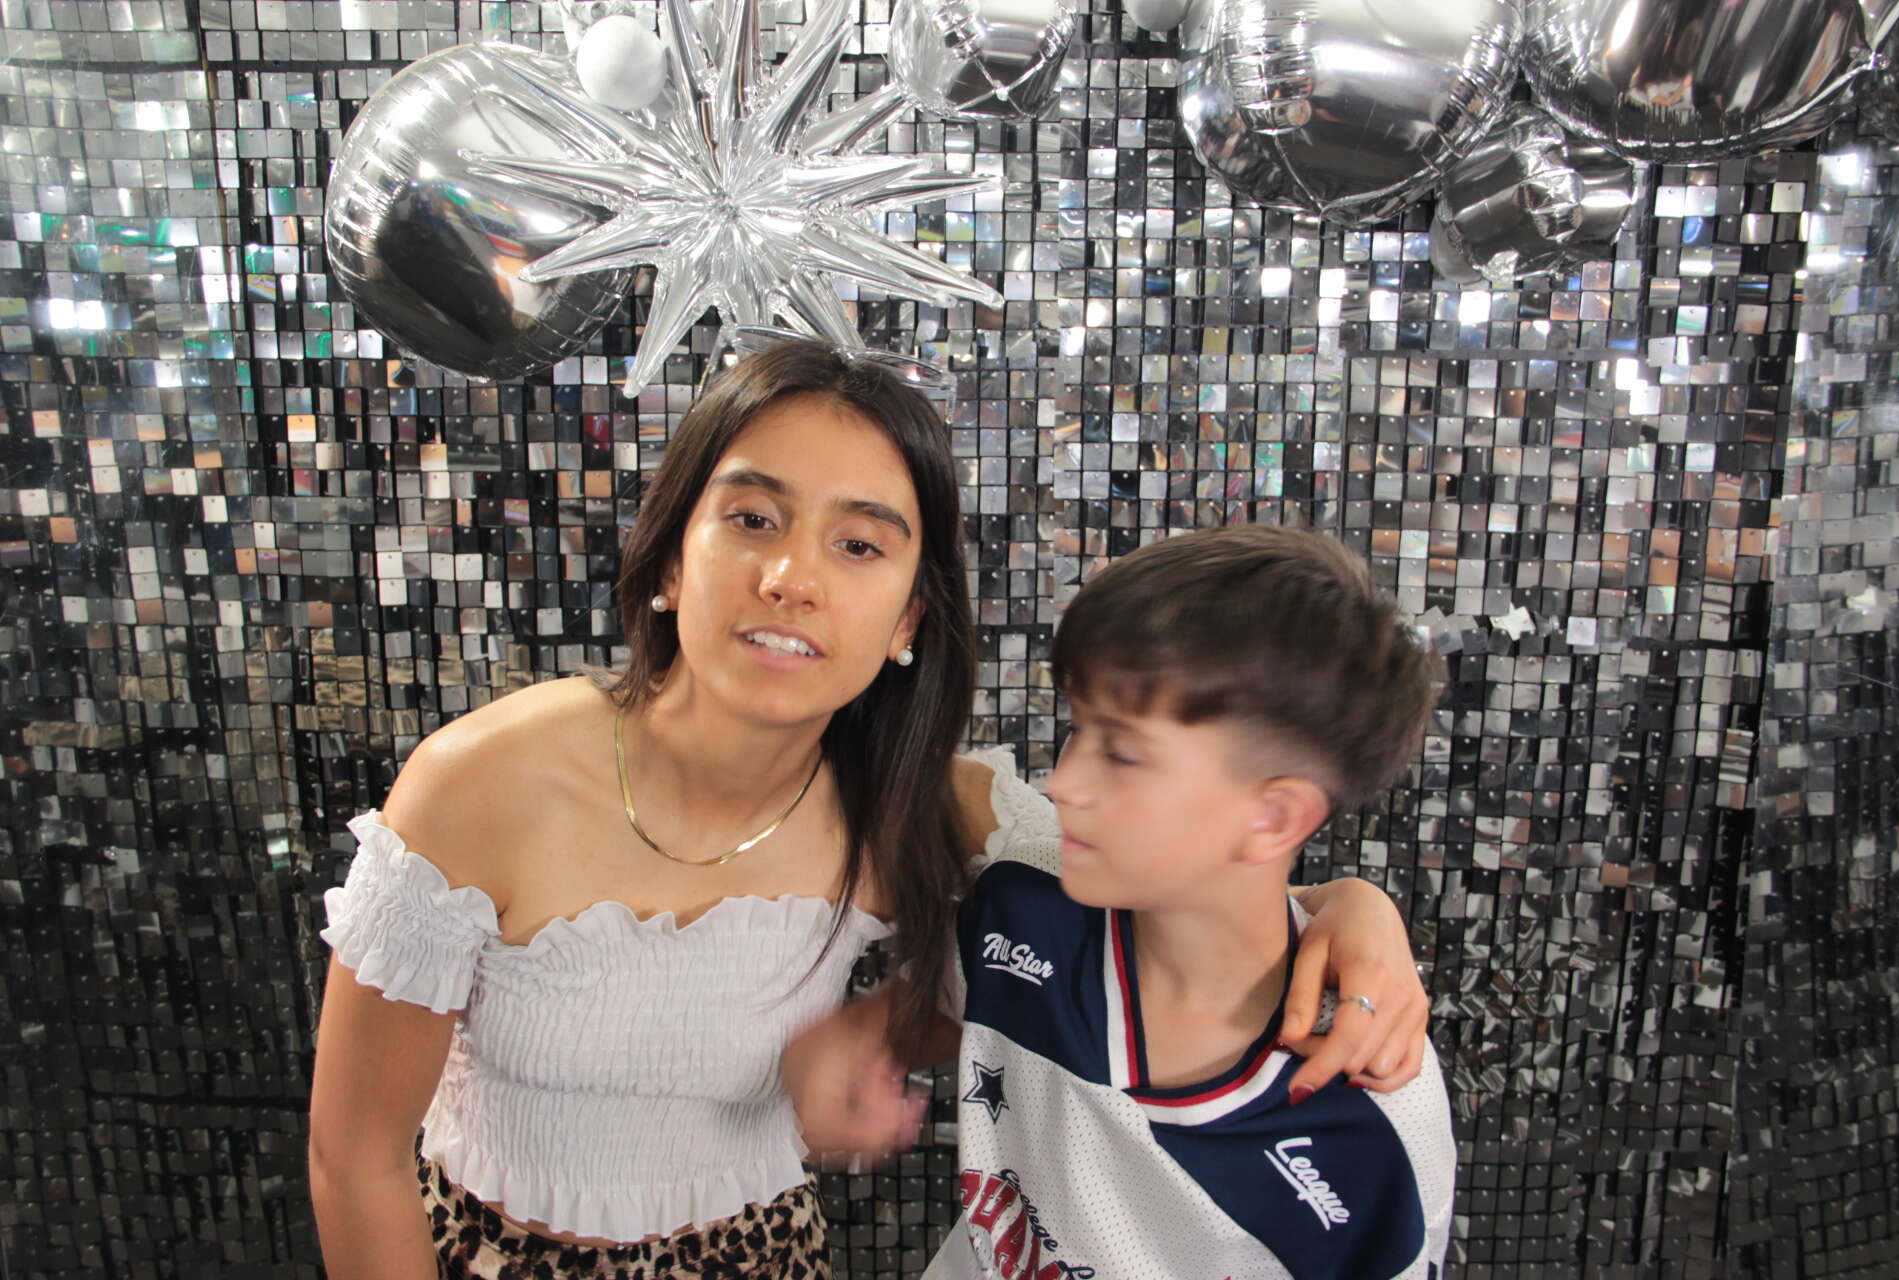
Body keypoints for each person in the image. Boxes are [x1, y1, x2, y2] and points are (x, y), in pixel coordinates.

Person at [307, 339, 1431, 1279]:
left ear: (906, 622)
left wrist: (1350, 906)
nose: (792, 578)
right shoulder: (483, 785)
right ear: (671, 560)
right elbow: (354, 1155)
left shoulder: (916, 805)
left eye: (857, 545)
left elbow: (1185, 859)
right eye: (753, 518)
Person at [790, 524, 1454, 1279]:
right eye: (1080, 731)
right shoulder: (1024, 903)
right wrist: (858, 1041)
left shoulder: (1372, 1112)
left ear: (1273, 817)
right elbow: (948, 1006)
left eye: (1123, 753)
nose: (1064, 784)